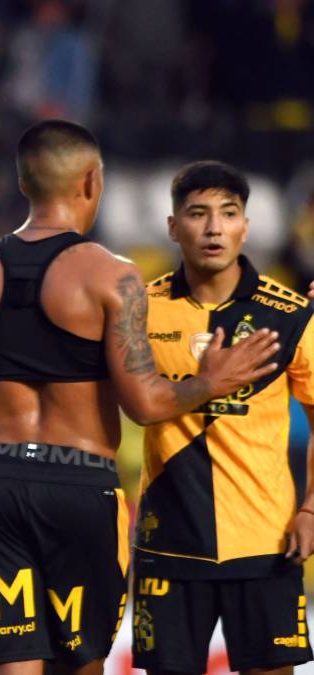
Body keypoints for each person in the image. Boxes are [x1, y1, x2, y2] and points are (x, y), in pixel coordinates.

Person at [0, 119, 279, 675]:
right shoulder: (112, 276)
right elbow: (145, 404)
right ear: (92, 181)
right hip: (78, 488)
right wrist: (210, 382)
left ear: (23, 183)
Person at [128, 162, 314, 674]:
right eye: (198, 214)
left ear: (245, 227)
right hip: (169, 545)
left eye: (228, 214)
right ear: (173, 227)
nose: (214, 228)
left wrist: (311, 509)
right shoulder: (140, 310)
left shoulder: (291, 315)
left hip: (267, 543)